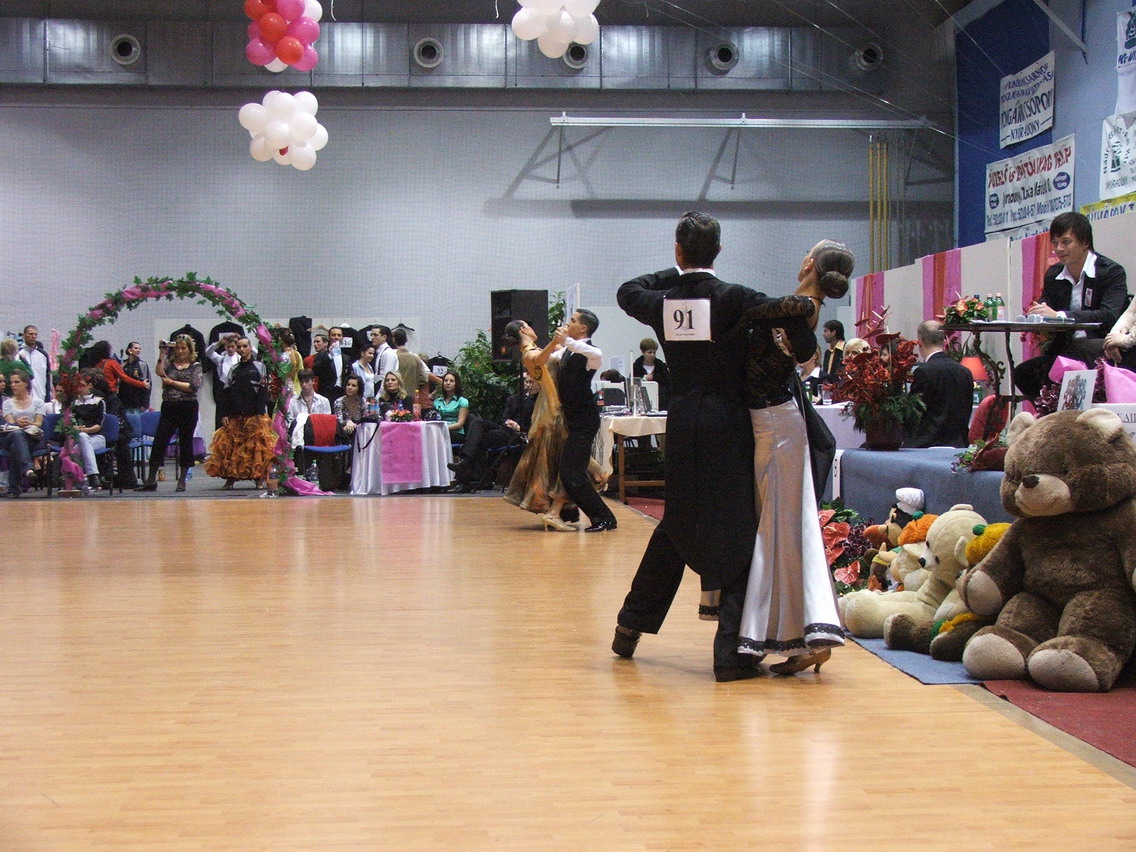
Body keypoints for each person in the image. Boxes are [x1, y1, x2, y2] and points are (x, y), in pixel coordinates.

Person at [612, 210, 766, 682]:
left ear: (678, 251)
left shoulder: (661, 302)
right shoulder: (736, 297)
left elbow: (627, 290)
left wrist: (680, 276)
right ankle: (731, 655)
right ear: (719, 251)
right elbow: (782, 311)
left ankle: (630, 626)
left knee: (677, 522)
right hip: (727, 425)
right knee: (737, 526)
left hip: (681, 423)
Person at [734, 239, 853, 675]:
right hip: (771, 420)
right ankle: (794, 632)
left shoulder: (800, 306)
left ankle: (809, 635)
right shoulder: (800, 307)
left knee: (785, 527)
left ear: (808, 264)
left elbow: (748, 309)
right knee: (778, 526)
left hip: (778, 423)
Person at [1015, 212, 1128, 400]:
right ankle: (1050, 413)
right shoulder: (1054, 274)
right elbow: (1046, 304)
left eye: (1066, 242)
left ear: (1085, 242)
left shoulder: (1111, 272)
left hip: (1102, 345)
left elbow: (1109, 315)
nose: (1059, 248)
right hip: (1067, 349)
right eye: (1055, 243)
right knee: (1024, 373)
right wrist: (1038, 313)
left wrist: (1060, 316)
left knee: (1078, 348)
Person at [502, 320, 574, 530]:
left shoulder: (536, 349)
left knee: (553, 460)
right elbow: (538, 359)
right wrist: (554, 342)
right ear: (524, 330)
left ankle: (556, 511)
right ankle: (554, 511)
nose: (533, 328)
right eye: (529, 325)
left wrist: (562, 343)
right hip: (550, 409)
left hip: (551, 406)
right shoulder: (528, 352)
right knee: (556, 459)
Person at [552, 309, 618, 533]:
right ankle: (602, 517)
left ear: (583, 328)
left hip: (584, 419)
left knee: (572, 473)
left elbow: (591, 351)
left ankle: (604, 518)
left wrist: (566, 341)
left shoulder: (592, 353)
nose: (568, 323)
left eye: (572, 321)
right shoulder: (568, 351)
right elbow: (549, 357)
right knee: (570, 473)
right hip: (573, 419)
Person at [204, 338, 276, 490]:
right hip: (236, 414)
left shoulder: (260, 366)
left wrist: (260, 412)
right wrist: (225, 413)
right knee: (233, 447)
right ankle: (230, 479)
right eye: (239, 347)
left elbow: (263, 390)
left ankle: (258, 479)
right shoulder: (234, 369)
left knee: (257, 447)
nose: (242, 349)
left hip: (255, 415)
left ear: (250, 348)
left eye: (244, 346)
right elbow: (227, 392)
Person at [449, 374, 538, 493]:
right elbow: (504, 418)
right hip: (505, 430)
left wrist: (518, 427)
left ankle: (465, 472)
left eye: (531, 382)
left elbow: (536, 424)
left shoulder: (538, 402)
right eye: (526, 382)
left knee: (476, 440)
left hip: (519, 434)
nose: (528, 385)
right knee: (476, 423)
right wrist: (509, 423)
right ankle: (466, 463)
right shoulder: (513, 399)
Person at [137, 335, 203, 493]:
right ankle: (151, 479)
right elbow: (159, 372)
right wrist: (162, 353)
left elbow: (193, 386)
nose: (180, 351)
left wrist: (172, 383)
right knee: (160, 440)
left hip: (187, 407)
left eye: (183, 348)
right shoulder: (169, 363)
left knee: (186, 442)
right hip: (169, 406)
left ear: (189, 349)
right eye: (177, 348)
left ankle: (182, 480)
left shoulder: (195, 366)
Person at [904, 320, 974, 449]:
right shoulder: (965, 372)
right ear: (944, 340)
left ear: (920, 341)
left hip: (927, 445)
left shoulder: (924, 372)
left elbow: (914, 414)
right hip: (959, 446)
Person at [1, 369, 45, 498]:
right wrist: (17, 422)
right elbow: (10, 423)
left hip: (32, 437)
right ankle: (28, 468)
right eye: (11, 383)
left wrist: (29, 423)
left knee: (17, 445)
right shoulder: (7, 403)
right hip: (12, 434)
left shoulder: (38, 402)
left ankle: (14, 488)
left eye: (17, 382)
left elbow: (38, 423)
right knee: (17, 434)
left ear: (26, 383)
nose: (13, 385)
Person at [69, 369, 108, 493]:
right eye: (77, 386)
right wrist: (76, 429)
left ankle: (83, 479)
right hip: (81, 438)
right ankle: (92, 476)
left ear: (90, 386)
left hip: (97, 437)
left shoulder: (99, 402)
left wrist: (86, 430)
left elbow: (99, 425)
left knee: (80, 442)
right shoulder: (74, 403)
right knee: (78, 444)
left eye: (82, 385)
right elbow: (70, 423)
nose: (79, 388)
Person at [632, 337, 672, 410]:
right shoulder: (636, 367)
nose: (652, 355)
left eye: (654, 352)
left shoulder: (661, 366)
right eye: (649, 352)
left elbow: (668, 385)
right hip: (641, 403)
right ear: (643, 352)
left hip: (661, 403)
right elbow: (632, 385)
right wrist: (644, 379)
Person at [313, 327, 348, 405]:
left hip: (342, 393)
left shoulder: (346, 358)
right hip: (326, 393)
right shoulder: (321, 355)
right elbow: (316, 371)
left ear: (342, 338)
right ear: (329, 337)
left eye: (339, 335)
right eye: (333, 335)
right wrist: (330, 356)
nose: (336, 337)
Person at [17, 325, 52, 403]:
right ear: (24, 335)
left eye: (35, 334)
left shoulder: (43, 355)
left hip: (39, 397)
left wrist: (48, 397)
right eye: (31, 334)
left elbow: (47, 377)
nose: (33, 336)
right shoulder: (17, 353)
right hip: (21, 399)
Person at [433, 371, 469, 441]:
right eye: (446, 381)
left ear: (456, 384)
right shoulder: (437, 401)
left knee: (439, 435)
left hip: (456, 432)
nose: (448, 383)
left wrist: (443, 428)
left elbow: (459, 424)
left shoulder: (462, 401)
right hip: (439, 431)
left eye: (451, 381)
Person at [119, 341, 152, 413]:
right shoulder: (123, 365)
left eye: (139, 349)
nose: (138, 350)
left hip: (139, 404)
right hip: (125, 404)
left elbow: (148, 384)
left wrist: (145, 403)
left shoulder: (142, 364)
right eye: (136, 348)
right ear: (129, 350)